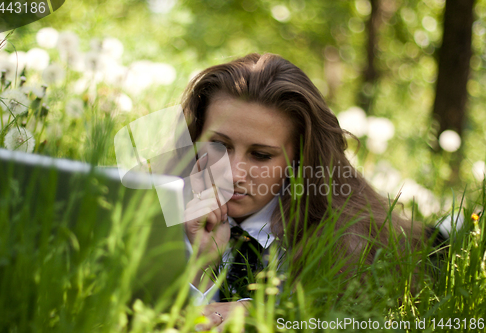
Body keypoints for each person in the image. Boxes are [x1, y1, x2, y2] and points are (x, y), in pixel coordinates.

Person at [179, 53, 431, 331]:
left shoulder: (343, 238)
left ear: (299, 158)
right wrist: (199, 268)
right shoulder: (156, 210)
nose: (234, 172)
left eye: (261, 155)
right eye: (219, 145)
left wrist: (273, 316)